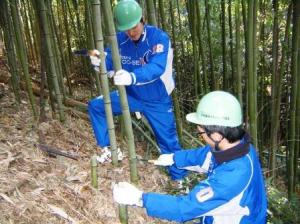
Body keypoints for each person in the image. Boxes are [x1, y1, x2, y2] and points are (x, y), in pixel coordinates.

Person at [113, 91, 267, 223]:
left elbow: (185, 208)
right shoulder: (238, 146)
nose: (200, 137)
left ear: (216, 135)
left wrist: (140, 199)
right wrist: (174, 158)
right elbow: (205, 156)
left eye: (200, 133)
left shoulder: (233, 176)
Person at [88, 0, 185, 180]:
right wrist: (99, 62)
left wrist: (132, 77)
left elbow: (157, 67)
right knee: (96, 106)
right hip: (130, 96)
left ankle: (179, 179)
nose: (131, 32)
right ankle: (109, 150)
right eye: (126, 29)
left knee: (168, 141)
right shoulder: (120, 38)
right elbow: (109, 63)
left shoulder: (159, 38)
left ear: (142, 19)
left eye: (134, 27)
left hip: (157, 99)